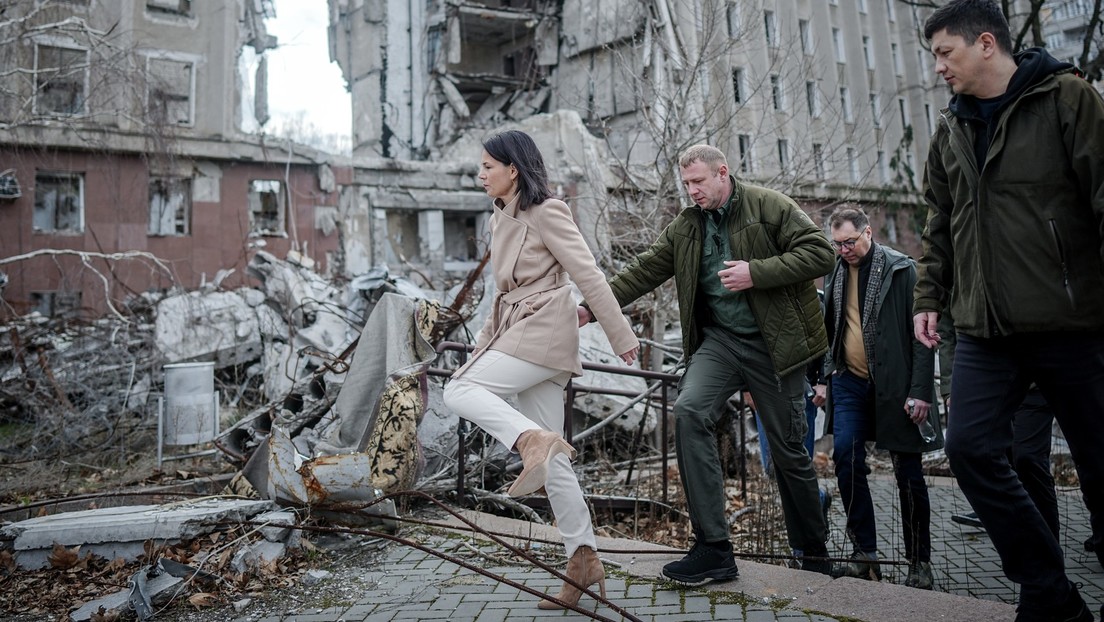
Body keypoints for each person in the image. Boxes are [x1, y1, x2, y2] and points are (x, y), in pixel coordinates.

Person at [913, 1, 1104, 619]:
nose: (938, 66)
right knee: (969, 450)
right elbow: (940, 221)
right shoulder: (952, 126)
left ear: (986, 43)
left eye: (946, 52)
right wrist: (929, 297)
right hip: (986, 328)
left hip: (1073, 325)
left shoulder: (1067, 100)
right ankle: (1050, 592)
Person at [580, 144, 835, 583]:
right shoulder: (686, 226)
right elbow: (643, 270)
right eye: (687, 185)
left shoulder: (770, 206)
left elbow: (821, 253)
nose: (693, 191)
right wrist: (589, 307)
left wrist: (757, 272)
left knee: (791, 454)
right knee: (690, 410)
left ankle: (813, 554)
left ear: (723, 173)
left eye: (699, 182)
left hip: (775, 347)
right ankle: (714, 549)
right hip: (720, 342)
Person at [442, 130, 640, 610]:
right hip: (520, 331)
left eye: (488, 165)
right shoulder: (501, 216)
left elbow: (587, 273)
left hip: (543, 332)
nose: (480, 173)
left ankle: (527, 439)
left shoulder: (547, 211)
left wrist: (621, 337)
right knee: (553, 464)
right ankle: (583, 557)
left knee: (457, 392)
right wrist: (480, 349)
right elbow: (500, 299)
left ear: (513, 169)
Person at [821, 206, 940, 590]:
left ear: (869, 233)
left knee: (909, 474)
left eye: (850, 242)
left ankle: (919, 562)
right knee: (845, 457)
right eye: (837, 244)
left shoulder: (903, 270)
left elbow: (924, 337)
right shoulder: (836, 270)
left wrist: (921, 391)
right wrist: (825, 377)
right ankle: (864, 556)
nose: (844, 250)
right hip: (851, 381)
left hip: (898, 385)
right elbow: (830, 327)